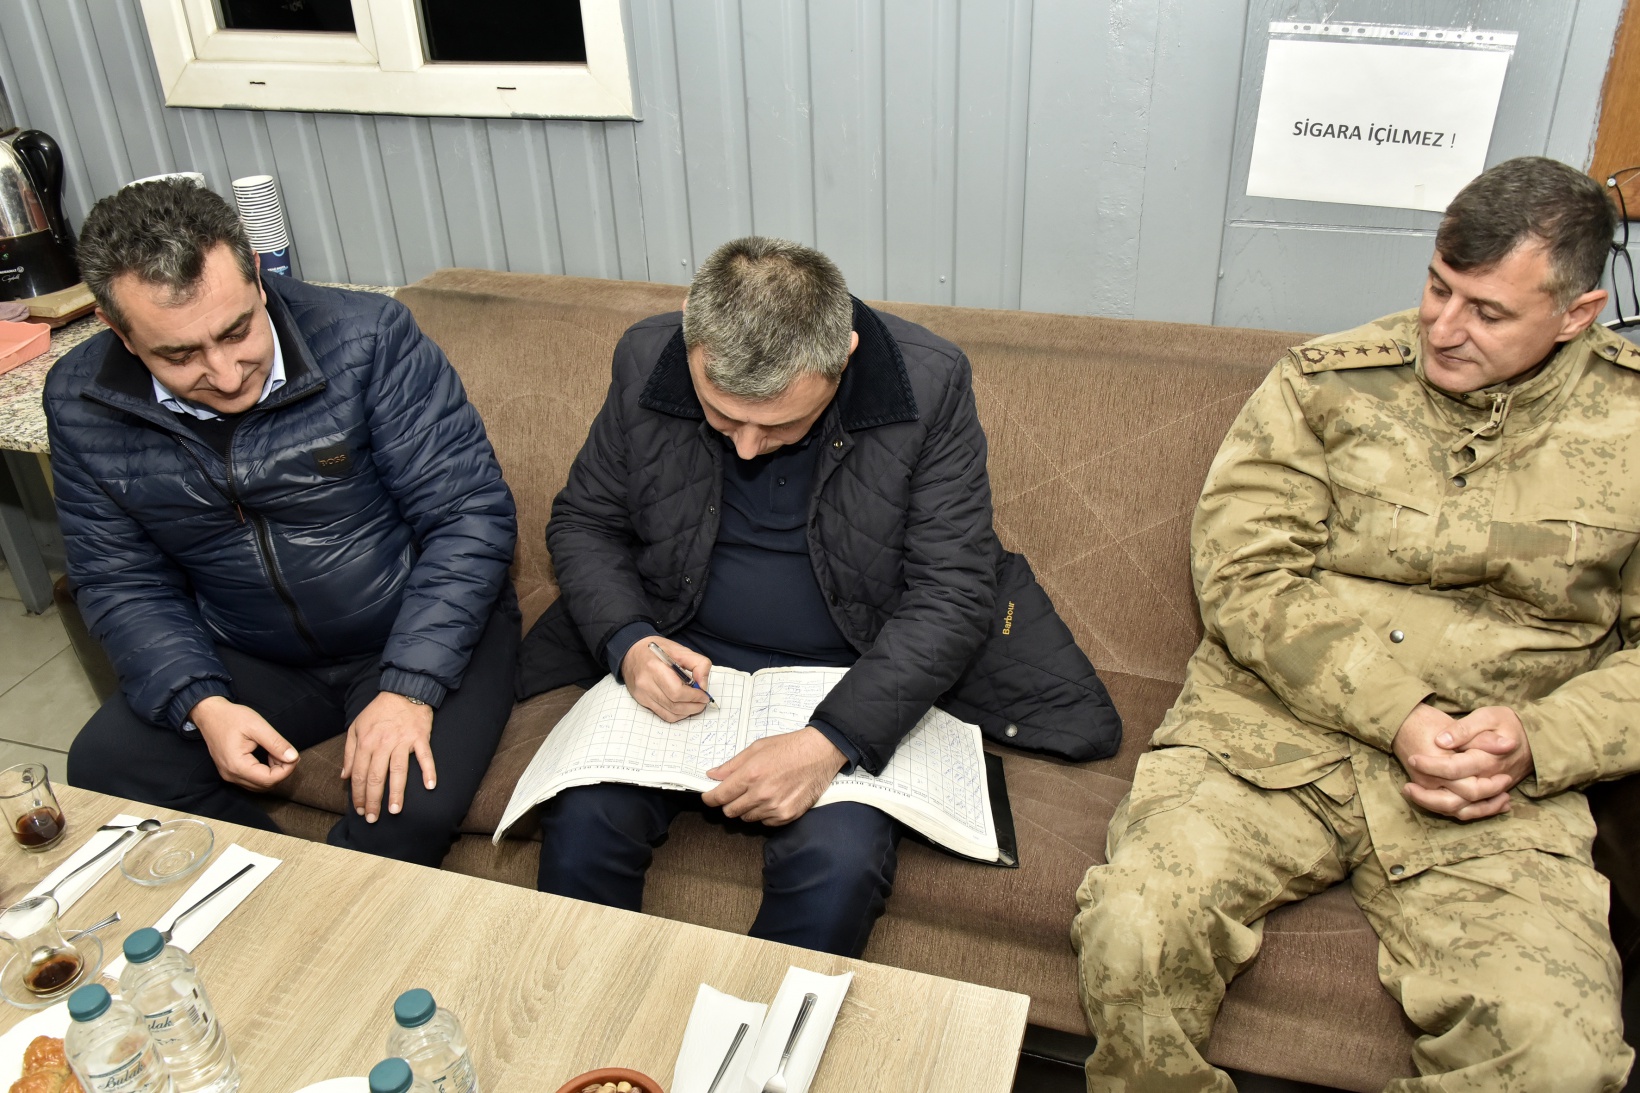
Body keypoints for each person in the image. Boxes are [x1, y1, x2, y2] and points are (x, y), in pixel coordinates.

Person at [1072, 155, 1638, 1092]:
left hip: (1491, 786)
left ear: (1578, 313)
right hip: (1271, 740)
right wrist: (1400, 711)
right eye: (1438, 286)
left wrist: (1538, 739)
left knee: (1557, 1056)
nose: (1442, 328)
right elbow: (1245, 573)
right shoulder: (1329, 384)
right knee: (1134, 928)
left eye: (1488, 311)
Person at [531, 235, 1004, 957]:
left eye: (780, 424)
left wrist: (829, 742)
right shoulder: (646, 355)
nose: (747, 447)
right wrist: (628, 642)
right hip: (687, 652)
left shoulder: (929, 384)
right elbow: (585, 523)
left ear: (843, 357)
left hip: (848, 677)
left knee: (838, 866)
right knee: (581, 823)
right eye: (722, 417)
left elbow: (955, 592)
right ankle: (590, 1019)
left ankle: (757, 1025)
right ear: (691, 339)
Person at [50, 179, 518, 868]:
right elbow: (119, 579)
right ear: (118, 331)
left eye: (236, 330)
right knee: (105, 762)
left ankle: (325, 901)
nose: (224, 372)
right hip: (250, 647)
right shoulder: (79, 400)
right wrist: (201, 702)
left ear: (258, 278)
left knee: (405, 808)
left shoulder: (369, 338)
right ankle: (270, 888)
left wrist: (408, 688)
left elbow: (469, 515)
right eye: (179, 355)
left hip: (412, 625)